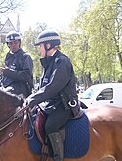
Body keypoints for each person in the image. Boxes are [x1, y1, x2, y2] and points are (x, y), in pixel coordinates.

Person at [26, 30, 80, 161]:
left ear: (48, 45)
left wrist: (32, 99)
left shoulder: (62, 61)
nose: (39, 49)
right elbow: (42, 87)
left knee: (50, 126)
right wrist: (32, 100)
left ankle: (57, 158)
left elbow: (53, 87)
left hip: (64, 104)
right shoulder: (49, 63)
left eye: (41, 46)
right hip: (51, 104)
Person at [0, 31, 34, 98]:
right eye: (11, 43)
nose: (13, 45)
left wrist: (8, 72)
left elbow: (26, 76)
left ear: (19, 43)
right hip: (6, 85)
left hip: (20, 88)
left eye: (16, 42)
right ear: (8, 45)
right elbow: (4, 75)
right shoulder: (8, 57)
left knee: (1, 96)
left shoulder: (25, 57)